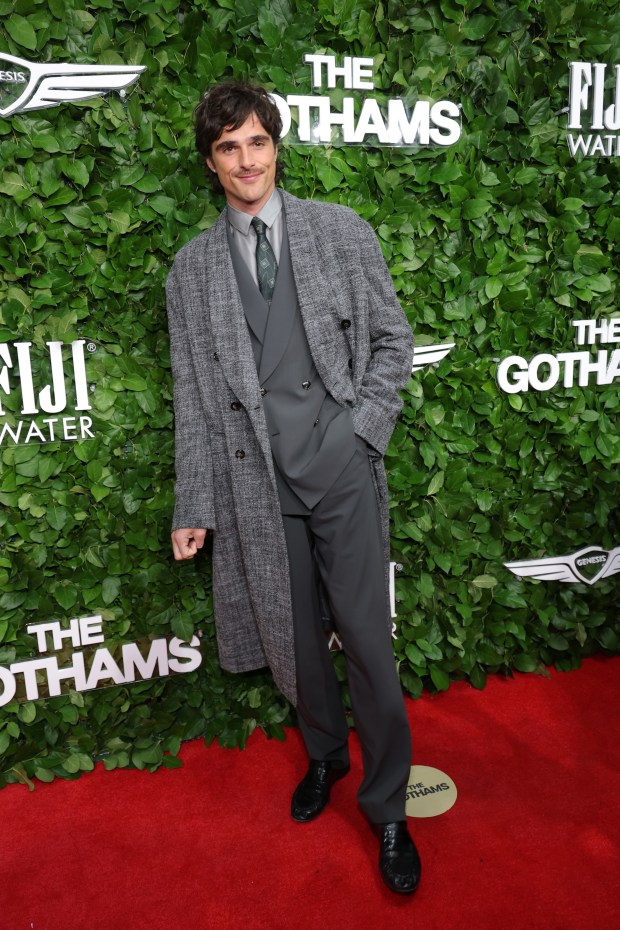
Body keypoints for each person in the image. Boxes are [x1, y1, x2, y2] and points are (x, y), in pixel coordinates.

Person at [166, 81, 420, 895]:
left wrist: (363, 429)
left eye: (257, 142)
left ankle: (387, 811)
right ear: (212, 164)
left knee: (368, 644)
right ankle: (323, 759)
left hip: (341, 468)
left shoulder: (339, 231)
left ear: (278, 146)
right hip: (257, 481)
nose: (247, 161)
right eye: (228, 148)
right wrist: (195, 505)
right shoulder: (192, 270)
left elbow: (392, 338)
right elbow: (194, 398)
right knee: (297, 644)